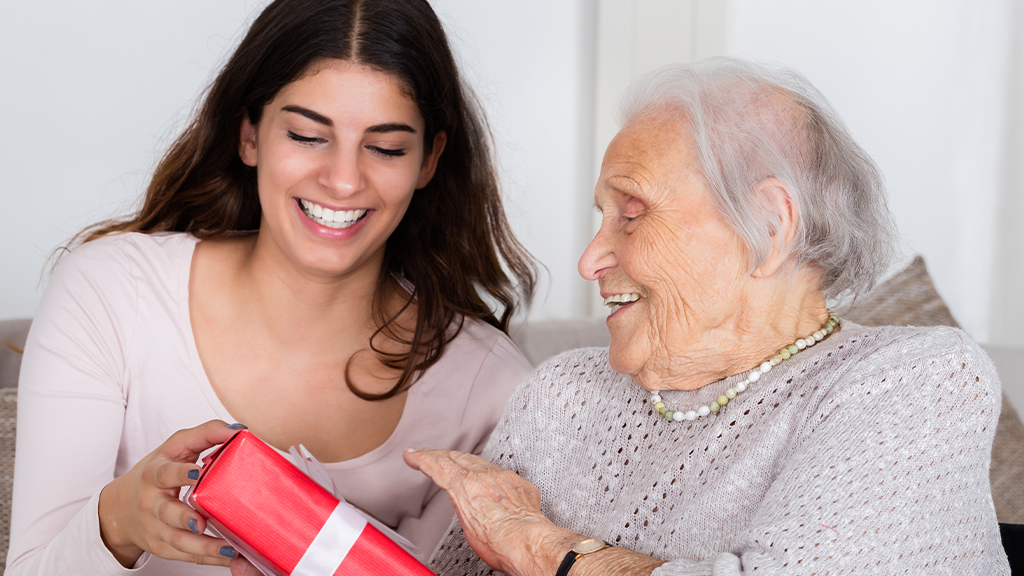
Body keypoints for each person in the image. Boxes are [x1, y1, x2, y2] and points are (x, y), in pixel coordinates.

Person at [400, 58, 1010, 575]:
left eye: (632, 213)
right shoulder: (562, 395)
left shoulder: (916, 382)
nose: (591, 259)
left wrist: (536, 545)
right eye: (600, 217)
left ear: (770, 228)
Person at [6, 0, 537, 574]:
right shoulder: (109, 294)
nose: (342, 180)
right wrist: (119, 522)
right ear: (250, 134)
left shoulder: (491, 390)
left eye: (386, 148)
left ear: (429, 160)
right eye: (309, 135)